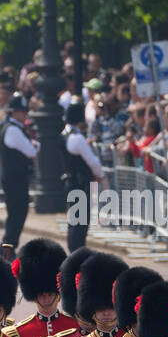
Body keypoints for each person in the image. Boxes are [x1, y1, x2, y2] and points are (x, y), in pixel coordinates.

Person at [0, 94, 38, 256]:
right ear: (13, 113)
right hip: (15, 179)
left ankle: (9, 247)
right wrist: (36, 145)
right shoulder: (13, 130)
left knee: (18, 213)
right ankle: (7, 248)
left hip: (16, 177)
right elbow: (31, 151)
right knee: (16, 214)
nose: (24, 114)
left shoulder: (14, 128)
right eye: (21, 111)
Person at [62, 102, 104, 252]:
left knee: (74, 220)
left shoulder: (64, 135)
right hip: (79, 183)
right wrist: (100, 175)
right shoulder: (77, 138)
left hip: (69, 181)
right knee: (80, 222)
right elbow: (92, 161)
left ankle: (74, 252)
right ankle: (77, 253)